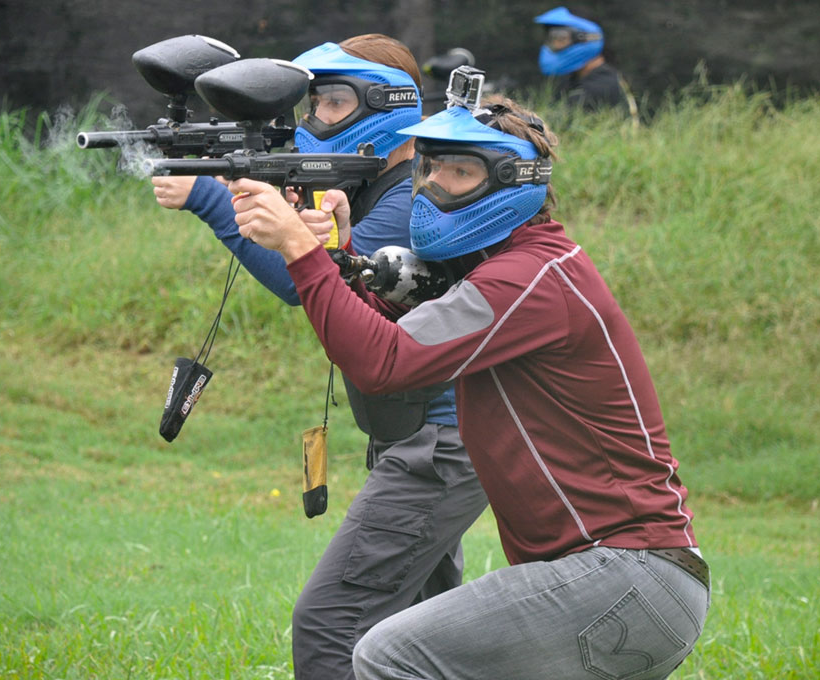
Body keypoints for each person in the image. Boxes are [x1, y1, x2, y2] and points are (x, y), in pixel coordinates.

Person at [229, 89, 709, 679]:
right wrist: (335, 253)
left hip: (622, 576)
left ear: (513, 181)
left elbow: (385, 362)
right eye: (429, 167)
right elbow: (393, 333)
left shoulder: (527, 277)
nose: (433, 186)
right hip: (620, 583)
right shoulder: (513, 269)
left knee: (387, 653)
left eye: (461, 171)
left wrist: (302, 250)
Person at [150, 35, 489, 680]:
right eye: (313, 102)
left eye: (333, 103)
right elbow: (337, 273)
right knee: (420, 630)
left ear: (386, 106)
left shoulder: (414, 201)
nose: (315, 120)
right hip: (418, 432)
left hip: (439, 440)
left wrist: (210, 198)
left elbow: (300, 286)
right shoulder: (380, 188)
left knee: (332, 624)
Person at [534, 6, 637, 119]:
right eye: (551, 38)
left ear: (585, 38)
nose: (555, 45)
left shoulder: (602, 85)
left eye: (561, 38)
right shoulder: (576, 79)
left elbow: (550, 123)